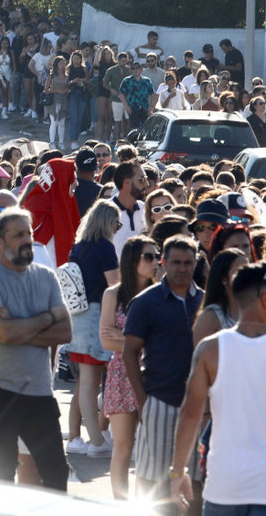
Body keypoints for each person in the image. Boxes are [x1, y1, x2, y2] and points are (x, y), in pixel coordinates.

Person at [170, 263, 266, 516]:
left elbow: (190, 414)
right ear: (265, 299)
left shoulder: (209, 349)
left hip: (224, 486)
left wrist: (177, 471)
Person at [0, 208, 72, 491]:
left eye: (29, 233)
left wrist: (20, 328)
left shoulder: (46, 276)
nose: (28, 240)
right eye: (19, 235)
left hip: (39, 391)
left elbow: (65, 331)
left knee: (56, 473)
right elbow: (4, 334)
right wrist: (46, 319)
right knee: (2, 474)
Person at [123, 235, 203, 502]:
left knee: (194, 485)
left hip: (198, 407)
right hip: (159, 402)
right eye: (176, 262)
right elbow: (129, 353)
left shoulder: (206, 302)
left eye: (188, 263)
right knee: (153, 484)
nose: (182, 268)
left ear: (196, 263)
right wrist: (143, 402)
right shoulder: (146, 302)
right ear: (164, 263)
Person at [100, 235, 159, 500]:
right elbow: (104, 339)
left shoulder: (160, 293)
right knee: (123, 449)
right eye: (149, 256)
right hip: (121, 374)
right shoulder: (113, 293)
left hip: (155, 374)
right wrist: (140, 342)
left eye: (156, 256)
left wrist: (125, 339)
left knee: (152, 449)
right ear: (132, 260)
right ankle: (121, 506)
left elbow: (163, 340)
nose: (155, 261)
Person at [63, 200, 120, 459]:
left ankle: (76, 437)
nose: (117, 229)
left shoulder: (79, 247)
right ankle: (96, 441)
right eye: (116, 224)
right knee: (90, 381)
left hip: (78, 315)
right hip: (97, 314)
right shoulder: (105, 247)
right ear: (108, 222)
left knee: (82, 381)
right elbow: (114, 285)